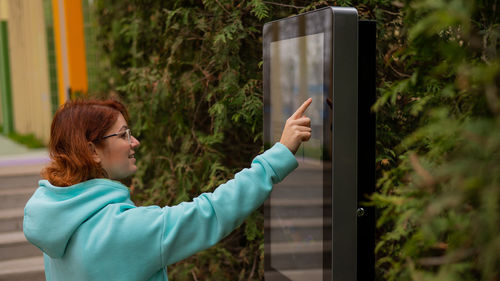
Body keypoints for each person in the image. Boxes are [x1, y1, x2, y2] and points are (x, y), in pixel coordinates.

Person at [23, 98, 312, 281]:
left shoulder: (59, 220)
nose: (134, 142)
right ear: (92, 151)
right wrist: (278, 156)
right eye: (123, 134)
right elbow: (211, 213)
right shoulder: (122, 230)